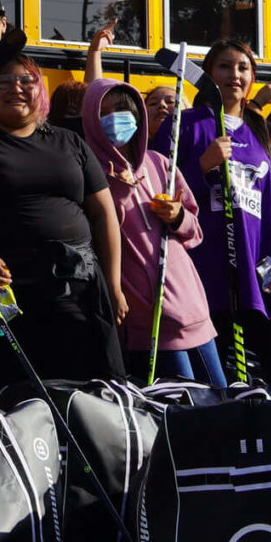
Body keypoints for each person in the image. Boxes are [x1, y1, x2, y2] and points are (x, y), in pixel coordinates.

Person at [0, 55, 129, 387]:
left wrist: (113, 284)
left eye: (26, 80)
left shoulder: (70, 142)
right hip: (10, 293)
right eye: (5, 82)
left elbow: (104, 214)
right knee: (21, 393)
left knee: (90, 392)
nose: (17, 89)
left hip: (78, 286)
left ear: (39, 89)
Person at [156, 41, 271, 384]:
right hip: (205, 271)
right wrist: (200, 166)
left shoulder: (267, 134)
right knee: (218, 375)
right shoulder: (184, 124)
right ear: (209, 75)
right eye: (224, 67)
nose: (234, 75)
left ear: (253, 77)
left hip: (260, 272)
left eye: (243, 67)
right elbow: (157, 193)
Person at [81, 76, 222, 386]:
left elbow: (194, 232)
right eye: (102, 113)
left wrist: (178, 216)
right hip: (147, 318)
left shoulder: (160, 164)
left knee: (220, 398)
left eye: (121, 109)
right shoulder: (90, 177)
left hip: (193, 307)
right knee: (182, 409)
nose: (114, 119)